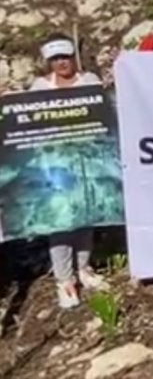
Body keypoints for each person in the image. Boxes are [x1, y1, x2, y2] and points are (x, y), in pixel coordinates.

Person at [30, 34, 108, 309]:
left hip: (88, 161)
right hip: (56, 164)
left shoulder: (90, 81)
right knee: (61, 221)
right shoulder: (40, 86)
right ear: (48, 61)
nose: (61, 63)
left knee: (86, 215)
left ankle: (83, 267)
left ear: (74, 56)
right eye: (55, 59)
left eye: (65, 56)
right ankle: (64, 279)